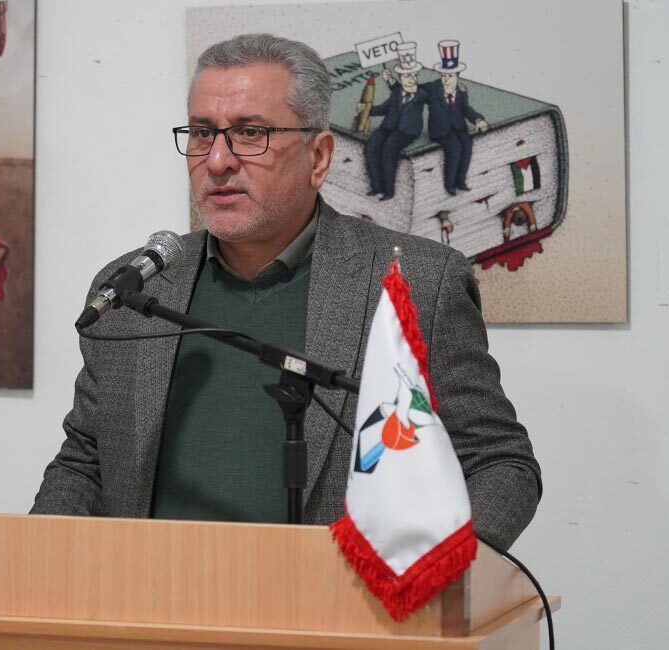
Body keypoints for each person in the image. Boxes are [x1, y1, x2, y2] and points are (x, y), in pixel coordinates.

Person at [32, 33, 540, 551]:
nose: (218, 161)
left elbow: (497, 462)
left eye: (250, 133)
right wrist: (37, 563)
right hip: (150, 596)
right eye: (203, 134)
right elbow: (87, 460)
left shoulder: (417, 282)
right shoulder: (133, 289)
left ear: (318, 157)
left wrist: (437, 575)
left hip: (337, 600)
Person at [421, 40, 489, 195]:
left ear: (457, 76)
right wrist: (393, 83)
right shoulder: (433, 88)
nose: (446, 79)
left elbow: (466, 109)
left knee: (467, 146)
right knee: (455, 148)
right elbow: (414, 90)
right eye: (443, 75)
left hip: (458, 128)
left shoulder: (461, 90)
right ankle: (449, 185)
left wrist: (478, 119)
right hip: (441, 131)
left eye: (450, 76)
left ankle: (461, 181)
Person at [362, 43, 428, 201]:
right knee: (371, 147)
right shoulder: (397, 92)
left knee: (388, 150)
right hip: (389, 126)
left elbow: (429, 94)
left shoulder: (421, 94)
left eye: (414, 76)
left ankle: (388, 191)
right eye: (407, 76)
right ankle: (376, 187)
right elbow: (384, 108)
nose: (411, 80)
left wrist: (391, 81)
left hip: (406, 131)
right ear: (401, 78)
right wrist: (367, 109)